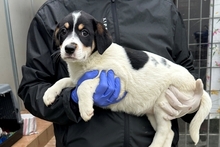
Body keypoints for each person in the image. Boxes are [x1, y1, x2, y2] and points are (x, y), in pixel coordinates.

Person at [18, 0, 202, 146]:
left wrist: (193, 103)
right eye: (65, 32)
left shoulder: (165, 8)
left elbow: (186, 70)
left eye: (83, 34)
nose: (71, 41)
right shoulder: (51, 12)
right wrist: (71, 100)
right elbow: (31, 88)